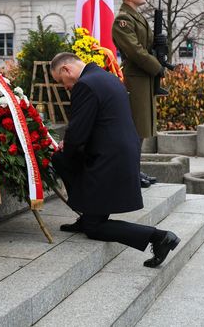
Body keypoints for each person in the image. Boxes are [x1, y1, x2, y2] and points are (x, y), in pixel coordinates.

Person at [50, 52, 180, 268]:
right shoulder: (107, 77)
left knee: (95, 227)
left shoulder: (85, 85)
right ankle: (86, 212)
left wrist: (67, 146)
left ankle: (159, 237)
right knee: (63, 158)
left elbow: (78, 132)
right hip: (119, 153)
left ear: (66, 70)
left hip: (108, 160)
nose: (65, 87)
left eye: (61, 82)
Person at [111, 0, 165, 188]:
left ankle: (134, 169)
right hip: (136, 78)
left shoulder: (135, 17)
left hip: (144, 78)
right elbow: (135, 51)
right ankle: (129, 172)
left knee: (141, 129)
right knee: (135, 129)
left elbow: (145, 45)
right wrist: (156, 66)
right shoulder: (123, 20)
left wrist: (159, 44)